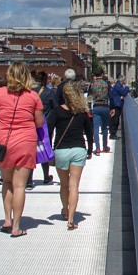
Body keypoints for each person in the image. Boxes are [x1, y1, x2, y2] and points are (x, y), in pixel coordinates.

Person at [0, 63, 42, 238]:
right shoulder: (33, 96)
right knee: (20, 186)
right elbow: (39, 122)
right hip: (25, 142)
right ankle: (16, 227)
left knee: (7, 183)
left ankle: (7, 220)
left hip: (3, 142)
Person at [53, 85, 92, 231]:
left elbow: (49, 129)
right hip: (78, 149)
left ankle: (65, 209)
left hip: (61, 150)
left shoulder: (57, 111)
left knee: (64, 184)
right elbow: (89, 132)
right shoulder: (82, 112)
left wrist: (50, 149)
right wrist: (89, 150)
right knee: (74, 185)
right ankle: (71, 219)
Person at [88, 75, 111, 155]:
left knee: (96, 128)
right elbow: (110, 96)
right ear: (101, 74)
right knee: (105, 128)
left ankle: (97, 149)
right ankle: (105, 146)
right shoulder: (106, 84)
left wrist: (89, 108)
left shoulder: (92, 85)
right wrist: (112, 108)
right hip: (105, 107)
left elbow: (89, 97)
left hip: (96, 107)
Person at [107, 77, 128, 151]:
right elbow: (124, 93)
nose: (125, 81)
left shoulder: (117, 85)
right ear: (122, 80)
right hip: (117, 104)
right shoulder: (118, 86)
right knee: (115, 119)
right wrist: (127, 87)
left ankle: (113, 133)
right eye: (125, 80)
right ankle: (112, 134)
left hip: (116, 104)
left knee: (115, 119)